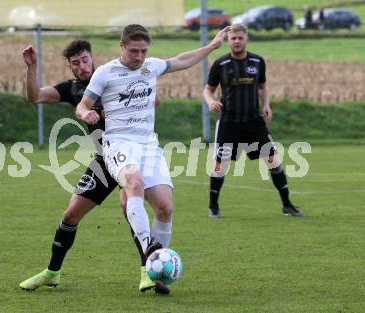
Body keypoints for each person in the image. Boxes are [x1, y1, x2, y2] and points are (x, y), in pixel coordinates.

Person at [76, 24, 230, 292]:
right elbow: (83, 104)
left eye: (143, 51)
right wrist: (84, 114)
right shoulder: (105, 73)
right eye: (133, 51)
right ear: (121, 46)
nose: (139, 57)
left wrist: (212, 47)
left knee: (165, 208)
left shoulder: (152, 66)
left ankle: (159, 277)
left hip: (148, 144)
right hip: (118, 143)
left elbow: (182, 60)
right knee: (133, 183)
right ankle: (150, 252)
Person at [19, 40, 168, 294]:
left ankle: (148, 271)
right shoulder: (73, 89)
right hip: (103, 161)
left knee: (129, 206)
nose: (81, 66)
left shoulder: (113, 76)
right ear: (70, 66)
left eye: (85, 60)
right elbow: (35, 96)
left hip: (129, 152)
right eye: (75, 63)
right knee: (70, 215)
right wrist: (32, 68)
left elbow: (154, 100)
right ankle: (52, 272)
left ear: (92, 58)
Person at [203, 23, 304, 218]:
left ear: (246, 39)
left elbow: (263, 86)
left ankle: (287, 205)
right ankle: (213, 206)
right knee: (220, 165)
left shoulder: (258, 62)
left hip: (253, 122)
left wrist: (266, 104)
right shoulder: (220, 64)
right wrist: (210, 102)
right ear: (228, 41)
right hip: (228, 122)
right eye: (233, 38)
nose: (237, 41)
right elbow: (208, 89)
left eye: (240, 37)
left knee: (274, 161)